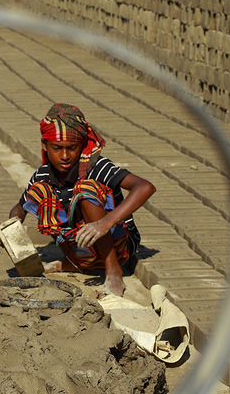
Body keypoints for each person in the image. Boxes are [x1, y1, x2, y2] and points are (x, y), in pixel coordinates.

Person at [9, 103, 156, 296]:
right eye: (56, 148)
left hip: (119, 246)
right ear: (45, 145)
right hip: (82, 249)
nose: (64, 156)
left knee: (85, 189)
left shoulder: (96, 167)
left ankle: (113, 272)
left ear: (82, 145)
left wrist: (105, 223)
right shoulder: (43, 175)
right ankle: (73, 262)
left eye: (71, 148)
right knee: (40, 192)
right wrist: (11, 228)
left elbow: (145, 187)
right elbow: (20, 207)